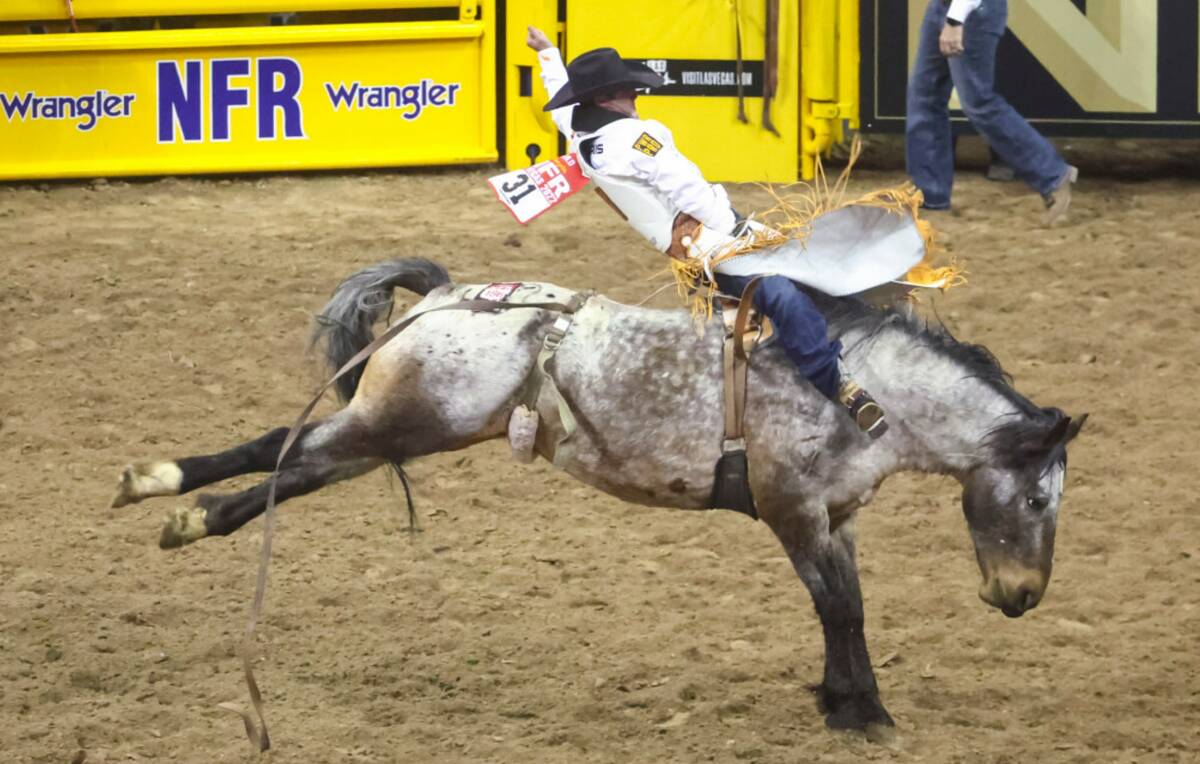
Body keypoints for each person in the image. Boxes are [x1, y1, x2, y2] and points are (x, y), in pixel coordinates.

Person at [526, 26, 888, 438]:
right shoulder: (640, 138)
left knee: (799, 274)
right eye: (627, 90)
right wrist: (737, 228)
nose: (635, 96)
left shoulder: (581, 136)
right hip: (713, 241)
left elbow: (560, 110)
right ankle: (837, 384)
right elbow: (688, 189)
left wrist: (548, 54)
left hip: (691, 249)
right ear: (604, 99)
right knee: (783, 293)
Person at [905, 0, 1077, 224]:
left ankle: (1052, 174)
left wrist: (955, 21)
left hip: (972, 10)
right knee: (925, 96)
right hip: (944, 7)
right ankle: (930, 197)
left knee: (979, 103)